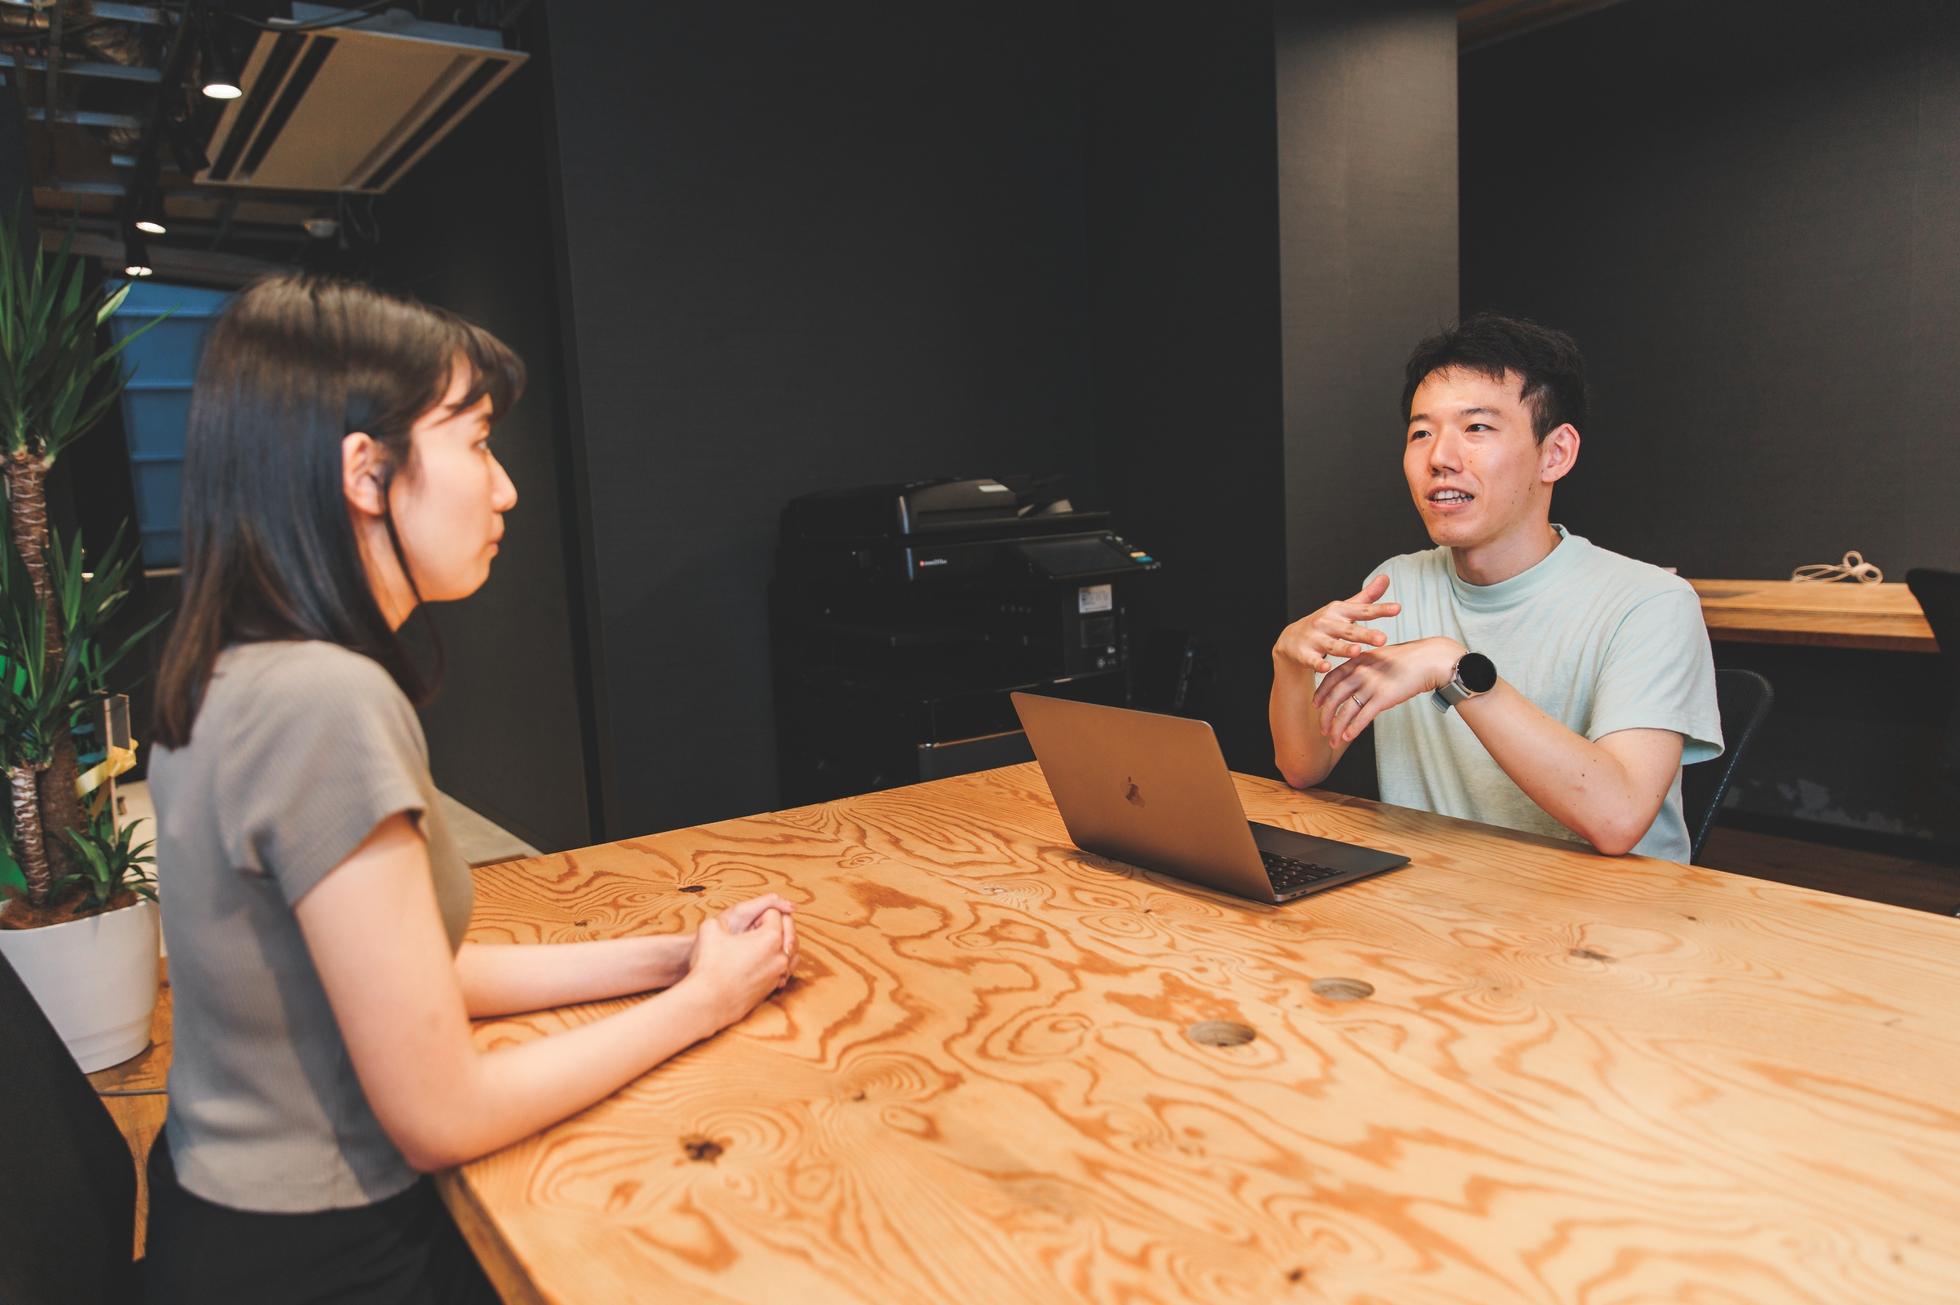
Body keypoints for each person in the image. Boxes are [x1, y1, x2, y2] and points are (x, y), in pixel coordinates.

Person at [142, 277, 798, 1303]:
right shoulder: (324, 701)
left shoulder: (234, 669)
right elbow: (440, 1115)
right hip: (331, 1263)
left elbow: (412, 981)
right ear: (366, 472)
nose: (506, 490)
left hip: (229, 1229)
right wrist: (704, 1004)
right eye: (479, 443)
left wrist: (674, 956)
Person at [1269, 313, 1721, 860]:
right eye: (1421, 433)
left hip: (1605, 906)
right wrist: (1289, 663)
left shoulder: (1650, 603)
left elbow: (1619, 817)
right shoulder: (1397, 585)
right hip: (1445, 894)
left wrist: (1453, 667)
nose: (1440, 458)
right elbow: (1305, 765)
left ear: (1555, 453)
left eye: (1477, 428)